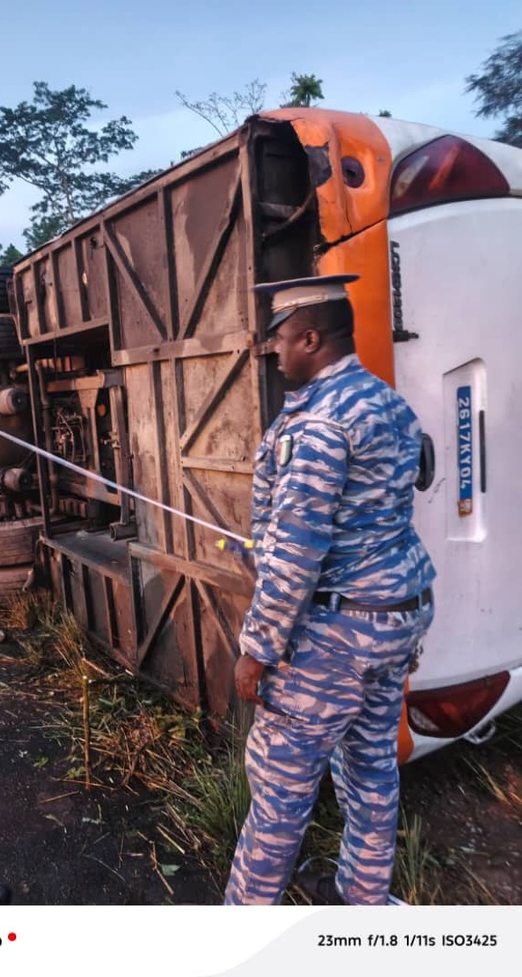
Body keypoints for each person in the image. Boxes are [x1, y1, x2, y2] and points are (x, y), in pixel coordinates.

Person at [224, 274, 436, 906]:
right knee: (371, 768)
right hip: (397, 618)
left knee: (282, 789)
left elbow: (297, 551)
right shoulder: (389, 404)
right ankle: (364, 901)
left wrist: (257, 647)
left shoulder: (319, 422)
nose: (277, 354)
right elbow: (377, 509)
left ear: (310, 337)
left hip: (334, 639)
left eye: (282, 341)